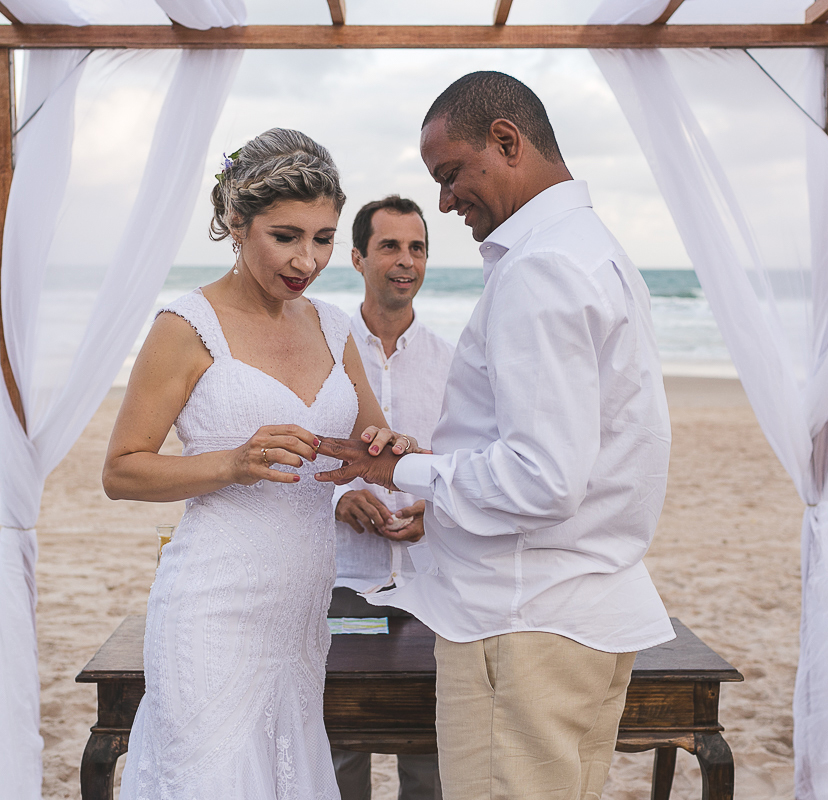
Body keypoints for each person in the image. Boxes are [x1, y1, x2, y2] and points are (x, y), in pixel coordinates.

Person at [316, 72, 676, 799]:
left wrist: (402, 474)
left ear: (506, 141)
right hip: (581, 614)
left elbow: (542, 478)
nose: (446, 200)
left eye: (450, 175)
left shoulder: (540, 268)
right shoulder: (593, 250)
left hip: (523, 628)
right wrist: (429, 470)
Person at [102, 128, 418, 800]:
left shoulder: (335, 328)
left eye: (325, 238)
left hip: (301, 609)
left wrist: (391, 455)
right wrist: (232, 463)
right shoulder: (185, 327)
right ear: (235, 222)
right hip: (211, 609)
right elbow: (122, 470)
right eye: (287, 236)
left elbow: (371, 443)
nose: (308, 259)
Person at [329, 196, 453, 800]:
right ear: (357, 257)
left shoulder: (453, 365)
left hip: (432, 587)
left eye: (418, 247)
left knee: (429, 752)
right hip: (340, 582)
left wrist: (434, 510)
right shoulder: (322, 354)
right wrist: (337, 503)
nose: (406, 261)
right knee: (339, 747)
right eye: (390, 246)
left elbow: (470, 469)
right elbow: (289, 460)